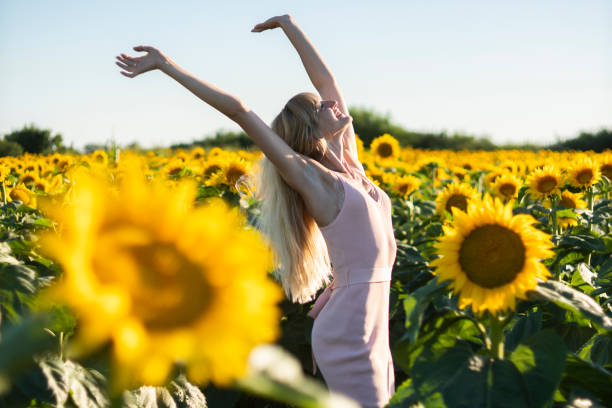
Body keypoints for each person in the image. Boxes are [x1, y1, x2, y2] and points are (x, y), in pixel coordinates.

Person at [116, 14, 396, 407]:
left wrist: (289, 25)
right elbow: (241, 111)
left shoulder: (351, 166)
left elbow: (327, 81)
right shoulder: (316, 180)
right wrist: (166, 65)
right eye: (322, 106)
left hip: (373, 324)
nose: (334, 101)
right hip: (350, 328)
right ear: (314, 130)